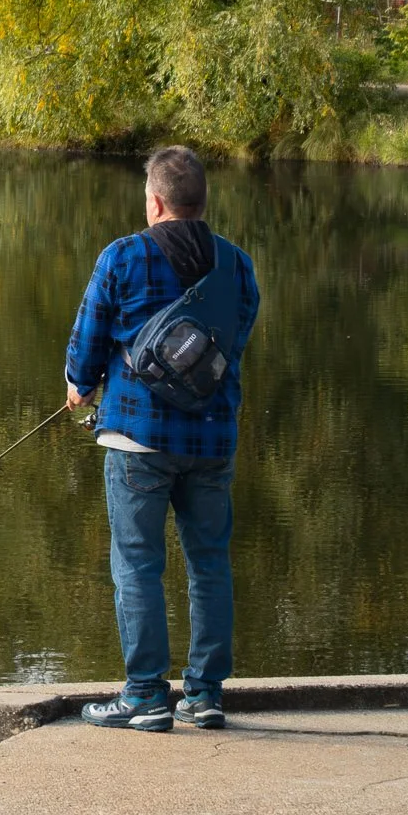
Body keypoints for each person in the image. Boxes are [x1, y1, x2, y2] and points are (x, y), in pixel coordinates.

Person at [64, 144, 260, 731]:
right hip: (212, 439)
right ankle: (204, 696)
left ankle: (146, 695)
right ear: (202, 201)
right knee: (209, 565)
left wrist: (80, 385)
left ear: (155, 202)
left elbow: (87, 342)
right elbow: (236, 339)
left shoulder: (122, 257)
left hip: (137, 439)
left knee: (137, 564)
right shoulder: (236, 264)